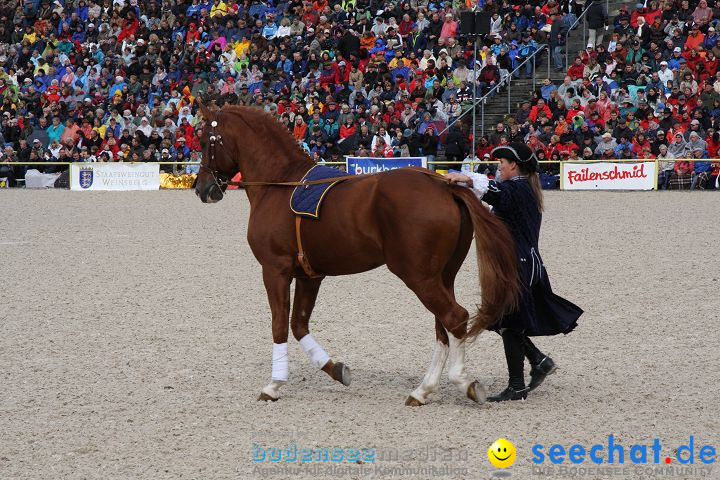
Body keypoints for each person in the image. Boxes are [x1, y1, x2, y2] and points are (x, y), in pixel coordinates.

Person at [446, 142, 583, 401]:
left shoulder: (518, 189)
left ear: (514, 165)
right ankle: (538, 361)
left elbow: (494, 191)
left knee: (509, 323)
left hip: (520, 265)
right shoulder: (521, 189)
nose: (498, 167)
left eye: (501, 163)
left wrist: (464, 177)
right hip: (521, 262)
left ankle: (518, 386)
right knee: (500, 320)